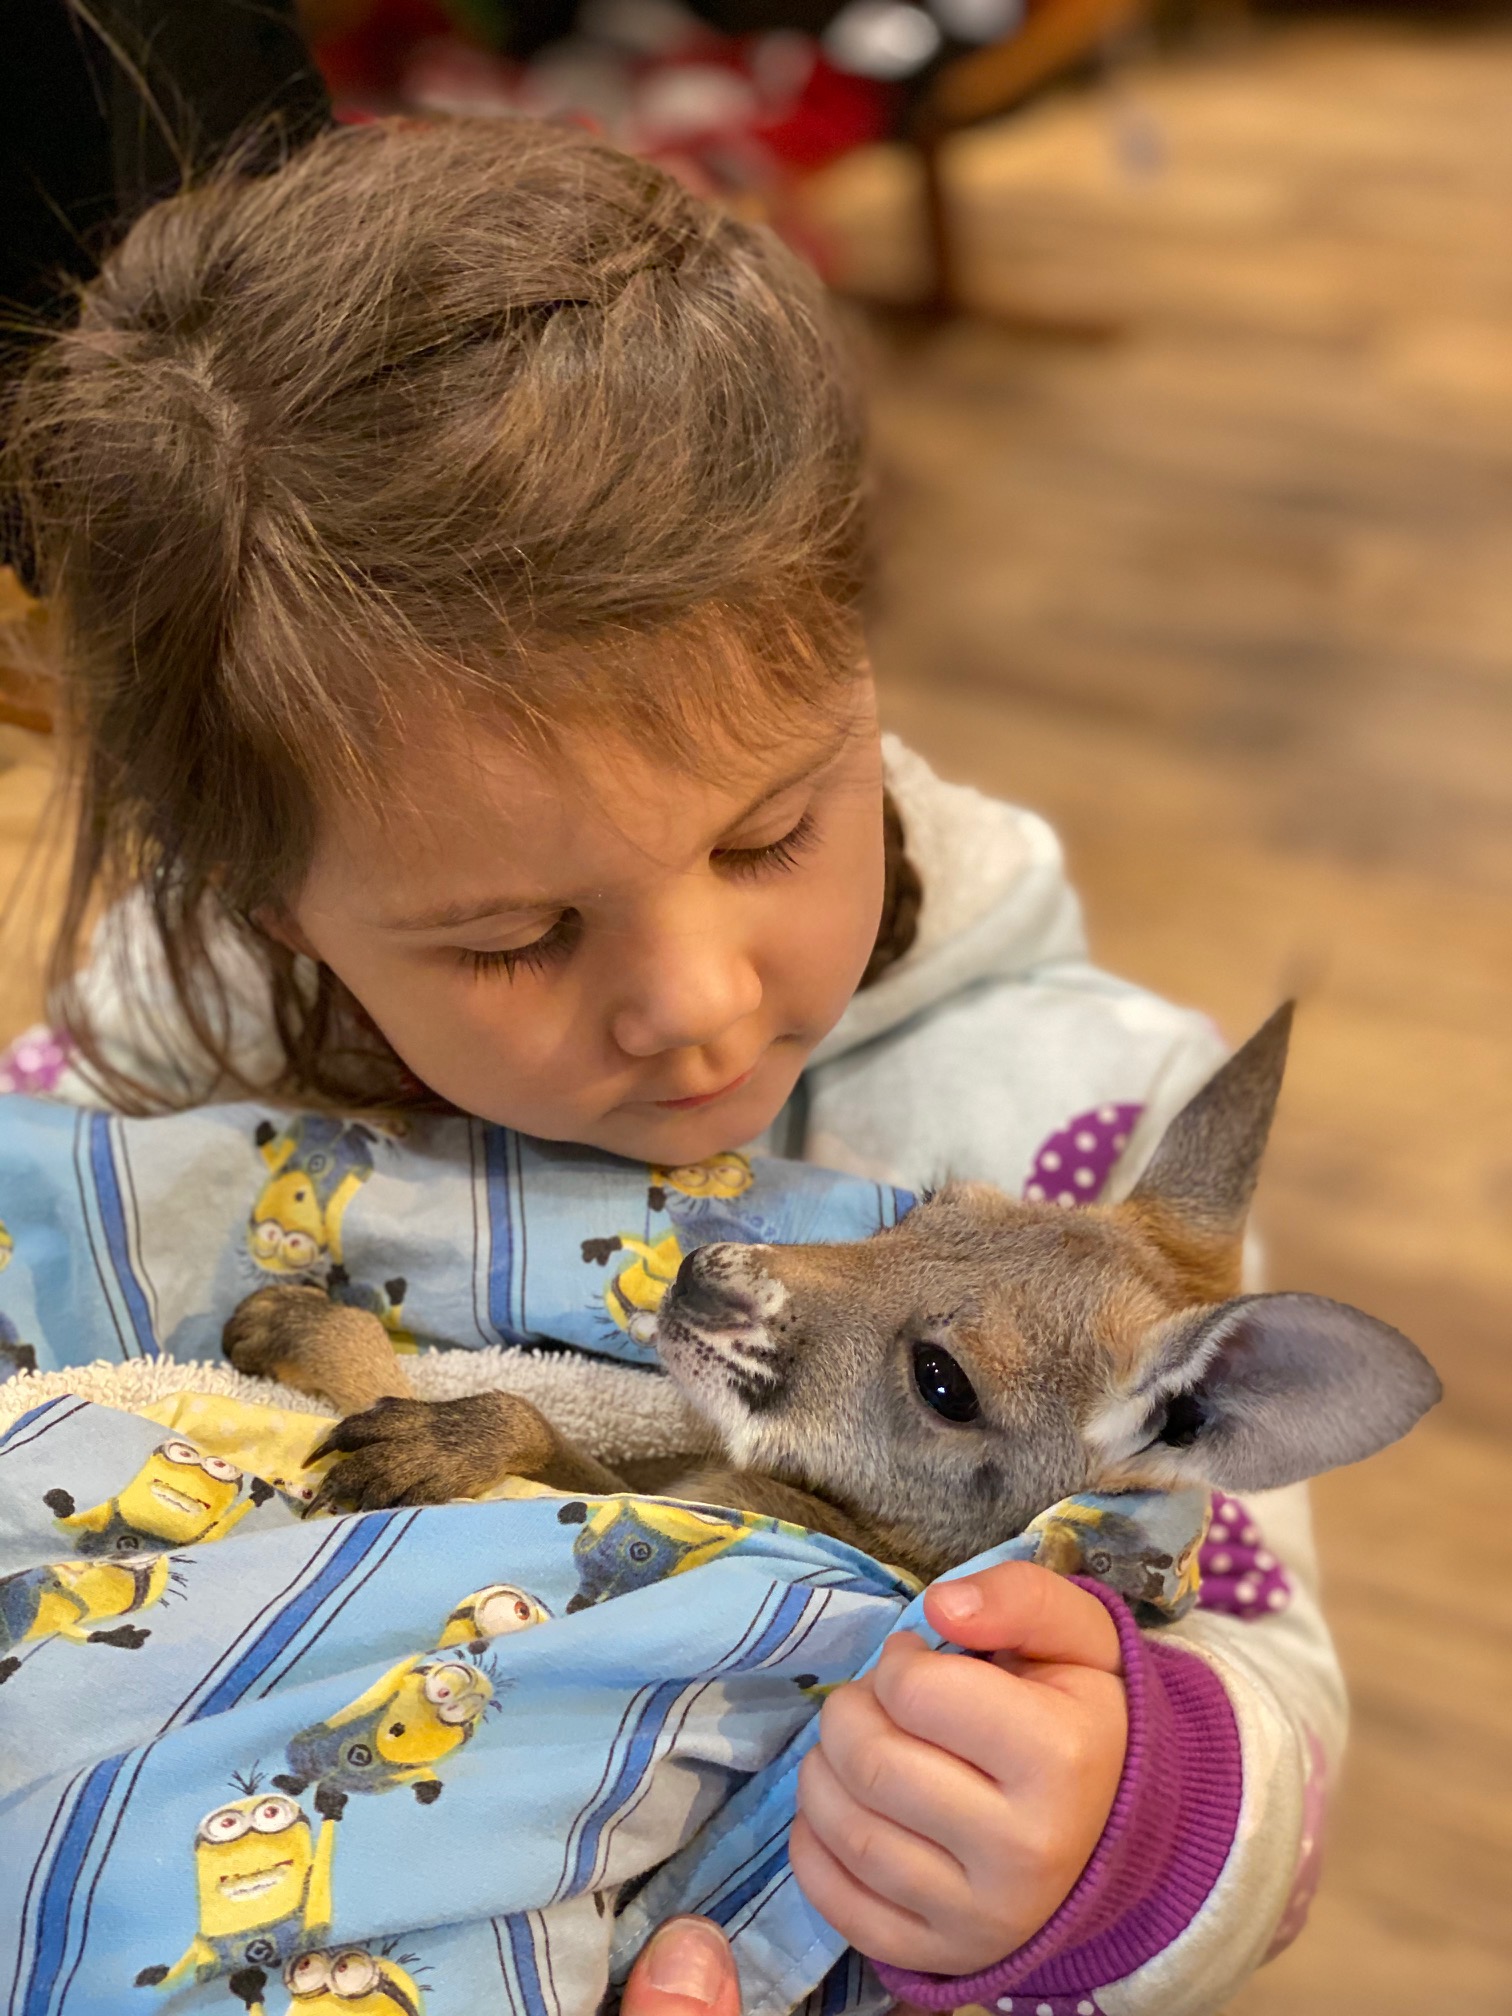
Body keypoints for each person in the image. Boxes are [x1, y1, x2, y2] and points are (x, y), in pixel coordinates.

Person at [2, 118, 1339, 2010]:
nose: (697, 1002)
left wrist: (1125, 1819)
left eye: (773, 830)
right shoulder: (149, 1063)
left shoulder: (1069, 1139)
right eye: (514, 937)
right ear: (279, 909)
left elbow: (1264, 1679)